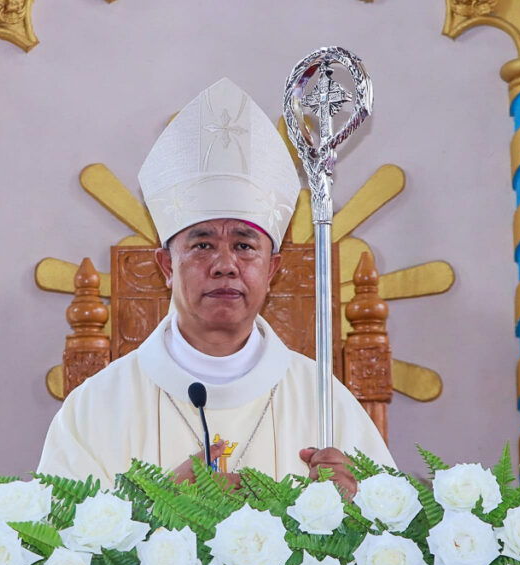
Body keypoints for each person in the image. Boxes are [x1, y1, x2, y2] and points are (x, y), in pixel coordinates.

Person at [37, 78, 393, 496]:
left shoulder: (324, 403)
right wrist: (152, 506)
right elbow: (56, 544)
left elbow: (395, 534)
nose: (225, 265)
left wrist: (358, 506)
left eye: (244, 245)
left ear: (272, 268)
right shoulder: (97, 407)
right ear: (166, 265)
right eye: (202, 244)